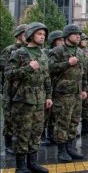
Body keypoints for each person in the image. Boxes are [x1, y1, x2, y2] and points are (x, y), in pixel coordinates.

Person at [6, 22, 52, 173]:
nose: (42, 37)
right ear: (31, 35)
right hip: (23, 101)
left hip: (40, 99)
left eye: (44, 35)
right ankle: (21, 167)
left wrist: (48, 96)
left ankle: (32, 163)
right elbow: (9, 74)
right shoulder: (19, 53)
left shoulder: (43, 54)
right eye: (39, 34)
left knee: (36, 131)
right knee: (23, 132)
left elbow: (46, 77)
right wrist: (28, 68)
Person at [48, 24, 88, 163]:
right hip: (62, 94)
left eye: (79, 34)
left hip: (76, 92)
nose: (78, 36)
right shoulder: (57, 51)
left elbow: (84, 72)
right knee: (62, 122)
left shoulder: (80, 52)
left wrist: (84, 89)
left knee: (74, 121)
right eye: (75, 34)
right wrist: (67, 63)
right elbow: (50, 68)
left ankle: (71, 148)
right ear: (66, 36)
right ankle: (61, 151)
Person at [1, 24, 26, 155]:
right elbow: (3, 65)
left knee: (22, 117)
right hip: (10, 89)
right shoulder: (10, 49)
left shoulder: (29, 49)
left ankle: (20, 142)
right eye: (24, 34)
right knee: (9, 118)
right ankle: (8, 144)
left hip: (24, 90)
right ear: (18, 35)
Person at [41, 30, 65, 146]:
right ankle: (42, 135)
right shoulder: (45, 52)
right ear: (53, 41)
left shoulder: (63, 52)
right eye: (60, 40)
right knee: (44, 112)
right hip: (46, 85)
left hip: (57, 86)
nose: (62, 42)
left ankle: (51, 133)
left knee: (54, 112)